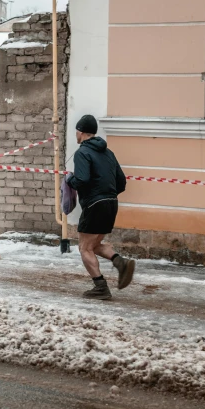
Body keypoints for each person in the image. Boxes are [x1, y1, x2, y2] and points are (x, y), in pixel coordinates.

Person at [66, 114, 135, 300]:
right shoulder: (108, 153)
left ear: (80, 131)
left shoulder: (82, 153)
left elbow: (82, 179)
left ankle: (100, 287)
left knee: (84, 248)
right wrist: (106, 194)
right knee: (94, 245)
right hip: (111, 204)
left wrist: (69, 179)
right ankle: (120, 262)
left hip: (95, 205)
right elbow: (121, 182)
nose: (76, 134)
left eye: (76, 131)